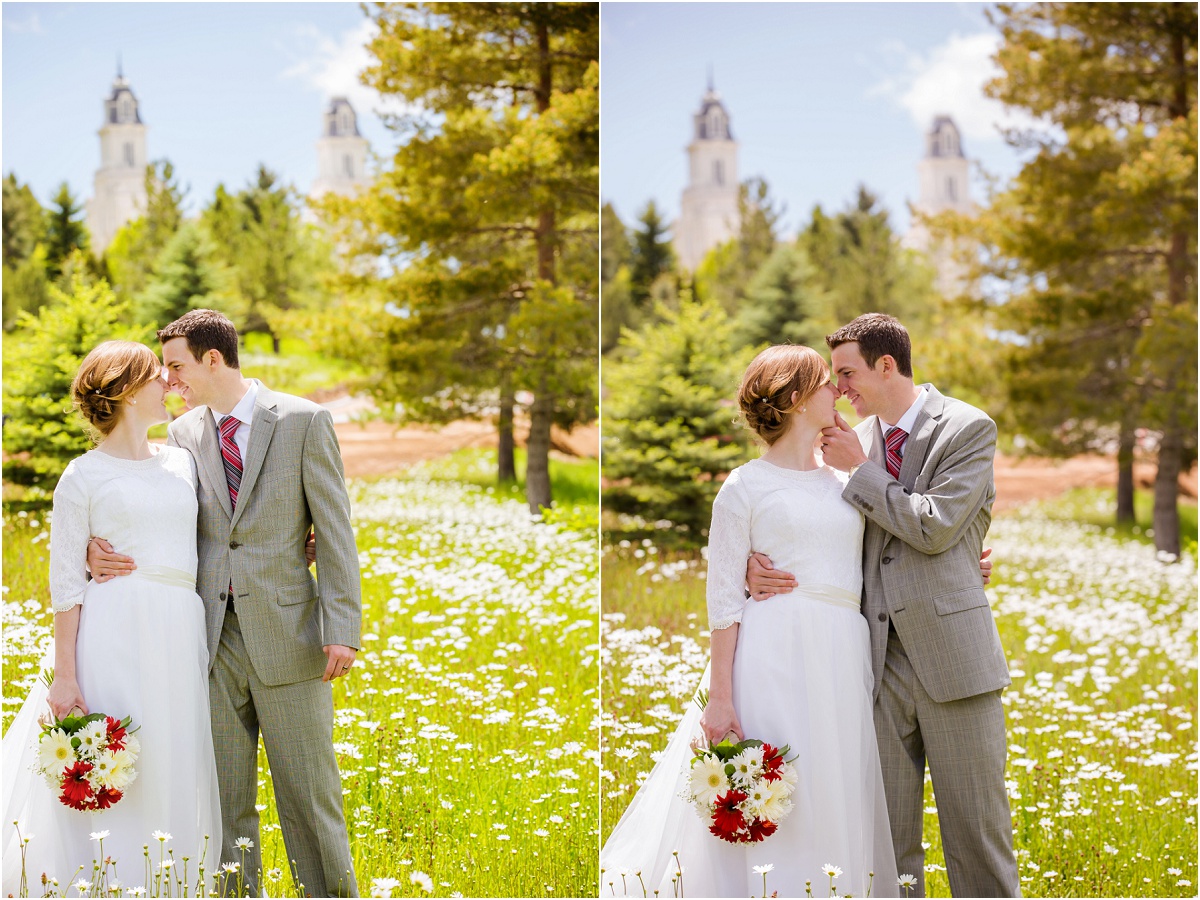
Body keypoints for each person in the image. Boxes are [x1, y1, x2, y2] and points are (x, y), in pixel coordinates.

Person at [601, 344, 899, 898]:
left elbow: (887, 553)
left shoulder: (849, 480)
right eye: (824, 382)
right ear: (793, 399)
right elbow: (723, 601)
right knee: (776, 789)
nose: (838, 389)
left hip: (841, 652)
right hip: (771, 656)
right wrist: (720, 697)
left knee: (830, 791)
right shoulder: (744, 486)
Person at [88, 310, 361, 897]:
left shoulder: (303, 420)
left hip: (292, 637)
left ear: (213, 359)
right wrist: (91, 545)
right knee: (225, 808)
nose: (170, 379)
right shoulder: (182, 437)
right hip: (207, 644)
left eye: (177, 365)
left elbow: (336, 530)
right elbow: (150, 509)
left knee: (312, 801)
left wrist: (341, 625)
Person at [748, 313, 1020, 897]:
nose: (839, 389)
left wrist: (863, 474)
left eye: (847, 373)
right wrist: (753, 564)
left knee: (977, 837)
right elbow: (809, 522)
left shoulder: (967, 429)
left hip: (955, 664)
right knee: (886, 846)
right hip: (872, 667)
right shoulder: (848, 444)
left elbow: (935, 527)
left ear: (887, 366)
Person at [2, 341, 221, 894]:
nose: (169, 384)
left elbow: (221, 532)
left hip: (179, 626)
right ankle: (99, 881)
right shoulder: (82, 477)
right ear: (125, 391)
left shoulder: (183, 459)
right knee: (122, 760)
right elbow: (66, 585)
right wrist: (67, 676)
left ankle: (169, 883)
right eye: (156, 376)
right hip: (113, 631)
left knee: (172, 757)